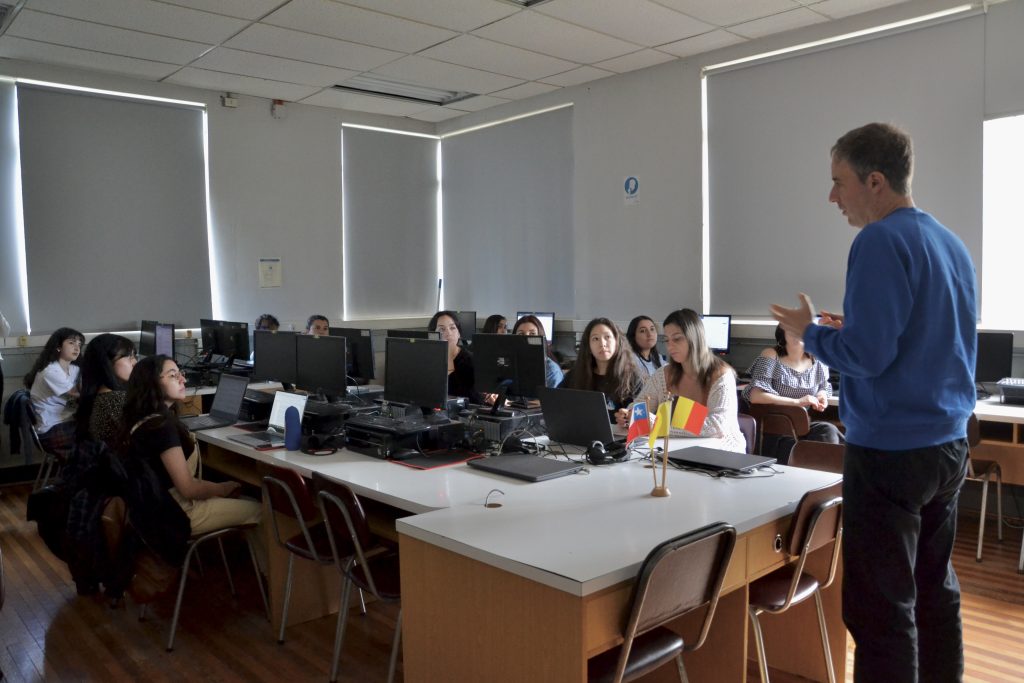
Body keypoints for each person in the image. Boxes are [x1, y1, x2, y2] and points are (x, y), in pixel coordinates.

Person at [770, 123, 975, 683]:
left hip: (891, 454)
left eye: (839, 183)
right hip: (948, 446)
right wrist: (847, 329)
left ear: (876, 181)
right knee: (934, 590)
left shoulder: (878, 241)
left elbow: (869, 355)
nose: (832, 197)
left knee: (881, 612)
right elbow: (923, 339)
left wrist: (813, 334)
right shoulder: (950, 243)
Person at [119, 355, 261, 536]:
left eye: (181, 373)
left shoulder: (142, 418)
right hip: (177, 515)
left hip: (150, 514)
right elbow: (188, 488)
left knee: (243, 498)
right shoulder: (162, 428)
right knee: (260, 510)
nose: (183, 379)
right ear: (152, 382)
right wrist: (222, 489)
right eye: (173, 375)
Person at [634, 309, 745, 453]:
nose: (670, 346)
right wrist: (629, 414)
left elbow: (717, 426)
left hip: (721, 455)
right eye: (667, 340)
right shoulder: (664, 374)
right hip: (676, 452)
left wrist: (661, 425)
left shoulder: (722, 375)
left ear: (695, 338)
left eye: (677, 338)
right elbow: (638, 407)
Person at [742, 324, 843, 463]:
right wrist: (797, 402)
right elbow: (756, 396)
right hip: (774, 428)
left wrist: (821, 395)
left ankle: (830, 478)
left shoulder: (817, 358)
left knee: (829, 431)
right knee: (809, 446)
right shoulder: (771, 355)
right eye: (791, 327)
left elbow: (824, 386)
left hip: (801, 427)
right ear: (782, 333)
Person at [560, 318, 641, 421]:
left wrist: (629, 418)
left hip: (620, 436)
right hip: (581, 434)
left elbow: (643, 417)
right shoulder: (574, 376)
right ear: (588, 346)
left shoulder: (633, 378)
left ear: (617, 341)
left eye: (607, 337)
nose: (602, 344)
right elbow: (558, 403)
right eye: (595, 339)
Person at [24, 327, 85, 459]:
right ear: (58, 347)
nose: (77, 347)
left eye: (79, 344)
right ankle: (81, 474)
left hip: (65, 421)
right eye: (71, 343)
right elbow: (76, 395)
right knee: (98, 436)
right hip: (51, 430)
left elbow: (80, 393)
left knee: (98, 433)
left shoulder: (73, 369)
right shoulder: (50, 371)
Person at [75, 333, 137, 447]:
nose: (135, 363)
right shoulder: (115, 401)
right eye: (129, 357)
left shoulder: (99, 394)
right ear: (107, 362)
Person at [428, 310, 476, 400]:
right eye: (442, 329)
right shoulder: (429, 361)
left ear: (459, 333)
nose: (448, 333)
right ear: (432, 335)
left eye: (452, 328)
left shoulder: (472, 361)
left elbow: (477, 399)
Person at [511, 315, 563, 388]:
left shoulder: (551, 370)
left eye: (532, 334)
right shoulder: (511, 364)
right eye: (521, 334)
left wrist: (509, 400)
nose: (526, 338)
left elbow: (552, 399)